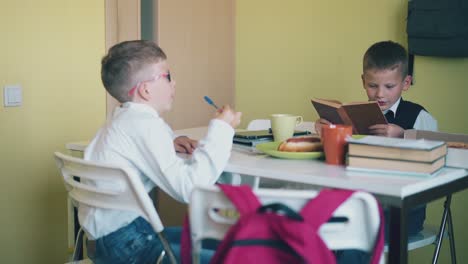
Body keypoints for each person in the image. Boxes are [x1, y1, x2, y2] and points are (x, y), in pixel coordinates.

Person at [82, 40, 242, 264]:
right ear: (146, 89)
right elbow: (189, 188)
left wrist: (172, 140)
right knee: (234, 255)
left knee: (225, 243)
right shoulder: (144, 125)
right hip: (131, 246)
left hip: (112, 240)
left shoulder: (124, 118)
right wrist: (222, 129)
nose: (173, 82)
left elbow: (141, 143)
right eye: (167, 76)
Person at [318, 40, 438, 263]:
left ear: (406, 83)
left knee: (354, 235)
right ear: (363, 81)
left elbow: (436, 153)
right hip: (360, 202)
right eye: (373, 85)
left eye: (389, 87)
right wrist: (327, 133)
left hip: (402, 212)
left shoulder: (420, 117)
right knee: (320, 222)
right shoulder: (352, 114)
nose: (379, 94)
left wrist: (403, 135)